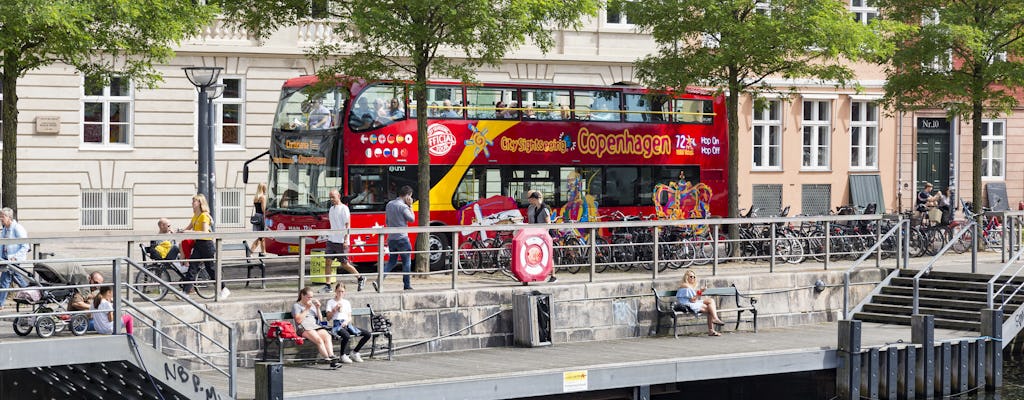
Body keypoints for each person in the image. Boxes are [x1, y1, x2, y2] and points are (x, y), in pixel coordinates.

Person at [180, 194, 229, 299]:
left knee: (210, 268)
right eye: (192, 201)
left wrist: (189, 231)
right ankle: (185, 293)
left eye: (194, 201)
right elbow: (187, 228)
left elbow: (205, 232)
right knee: (192, 268)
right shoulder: (195, 216)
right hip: (199, 244)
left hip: (206, 244)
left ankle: (224, 289)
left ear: (200, 203)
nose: (192, 203)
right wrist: (180, 231)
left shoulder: (204, 215)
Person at [327, 190, 364, 292]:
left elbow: (347, 225)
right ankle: (328, 285)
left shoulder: (344, 209)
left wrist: (345, 240)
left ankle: (360, 278)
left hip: (341, 240)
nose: (331, 199)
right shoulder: (331, 209)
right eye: (330, 197)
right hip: (331, 239)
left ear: (338, 196)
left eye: (333, 197)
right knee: (328, 261)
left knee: (344, 264)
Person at [293, 287, 340, 368]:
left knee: (327, 336)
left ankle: (331, 356)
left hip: (315, 326)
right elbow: (298, 320)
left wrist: (318, 308)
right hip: (303, 327)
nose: (310, 299)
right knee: (318, 340)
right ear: (302, 295)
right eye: (308, 297)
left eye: (311, 297)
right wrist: (307, 308)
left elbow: (320, 319)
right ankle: (327, 358)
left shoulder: (312, 305)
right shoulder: (296, 306)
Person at [325, 282, 371, 364]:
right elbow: (328, 318)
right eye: (339, 291)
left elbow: (349, 316)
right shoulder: (331, 302)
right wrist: (334, 309)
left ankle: (355, 352)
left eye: (342, 291)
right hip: (337, 324)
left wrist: (346, 321)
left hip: (346, 323)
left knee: (367, 334)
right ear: (335, 291)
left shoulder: (346, 302)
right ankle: (342, 355)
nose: (340, 293)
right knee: (346, 335)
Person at [381, 185, 415, 291]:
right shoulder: (403, 207)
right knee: (406, 261)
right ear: (408, 196)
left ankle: (379, 278)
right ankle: (407, 285)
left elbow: (387, 221)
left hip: (391, 238)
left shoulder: (389, 204)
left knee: (392, 261)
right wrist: (411, 206)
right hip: (402, 238)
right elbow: (412, 219)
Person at [675, 270, 724, 336]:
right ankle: (712, 328)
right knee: (710, 309)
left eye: (694, 277)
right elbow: (692, 300)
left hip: (690, 302)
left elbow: (693, 299)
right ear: (687, 277)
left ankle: (715, 319)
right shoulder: (686, 286)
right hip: (687, 304)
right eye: (691, 276)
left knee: (711, 301)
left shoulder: (689, 286)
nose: (693, 278)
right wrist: (700, 291)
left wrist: (700, 291)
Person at [0, 207, 29, 310]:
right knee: (15, 279)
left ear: (9, 217)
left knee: (7, 280)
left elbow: (25, 245)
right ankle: (31, 294)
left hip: (13, 260)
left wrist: (15, 257)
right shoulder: (5, 229)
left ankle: (1, 304)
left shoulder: (17, 228)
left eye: (2, 216)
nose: (1, 219)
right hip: (5, 259)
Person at [251, 182, 268, 254]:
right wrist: (266, 218)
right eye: (265, 188)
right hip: (261, 217)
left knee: (262, 236)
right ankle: (251, 251)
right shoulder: (262, 198)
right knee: (261, 236)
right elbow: (263, 209)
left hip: (256, 216)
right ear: (263, 188)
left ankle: (263, 252)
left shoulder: (256, 197)